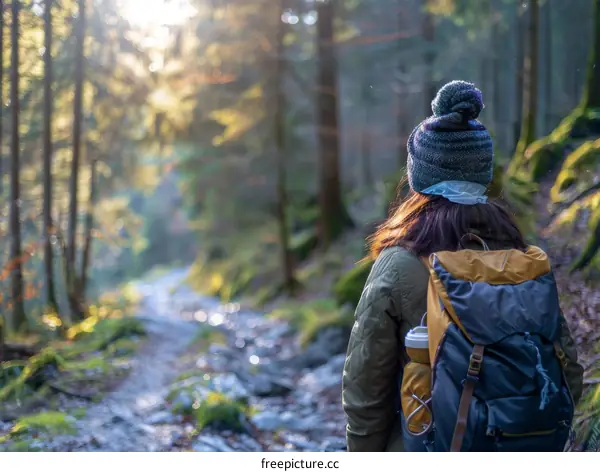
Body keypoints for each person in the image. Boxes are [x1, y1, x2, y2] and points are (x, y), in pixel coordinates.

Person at [341, 80, 584, 452]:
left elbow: (365, 391)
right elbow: (567, 369)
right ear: (482, 173)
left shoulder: (400, 264)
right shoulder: (523, 259)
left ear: (419, 176)